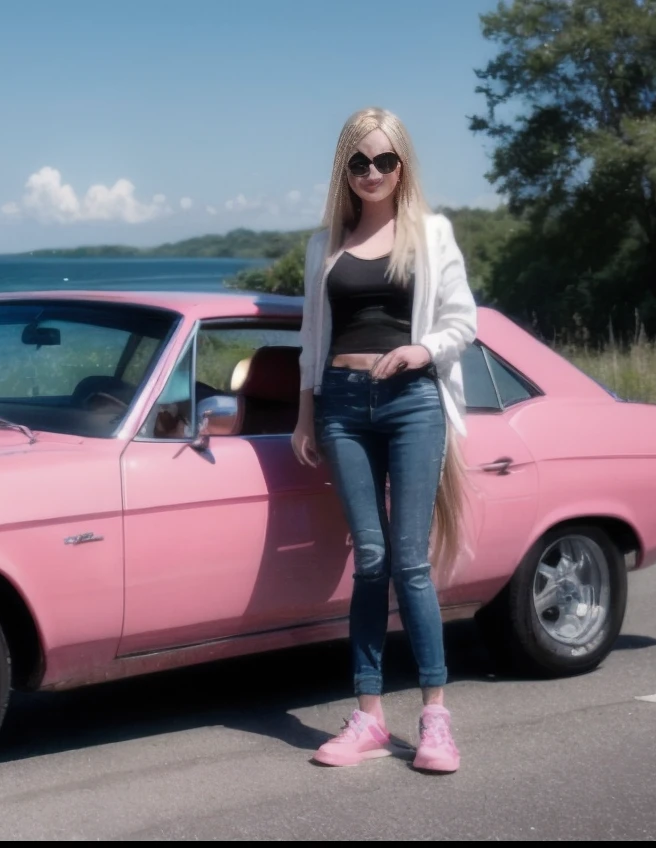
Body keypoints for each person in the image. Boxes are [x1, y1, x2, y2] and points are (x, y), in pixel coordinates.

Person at [292, 108, 478, 774]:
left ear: (404, 166)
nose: (372, 173)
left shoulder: (430, 234)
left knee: (409, 562)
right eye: (359, 162)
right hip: (341, 406)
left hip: (411, 403)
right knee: (369, 560)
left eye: (384, 161)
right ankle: (369, 717)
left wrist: (419, 351)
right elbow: (314, 340)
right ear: (344, 169)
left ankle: (436, 719)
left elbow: (463, 322)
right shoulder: (325, 244)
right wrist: (305, 414)